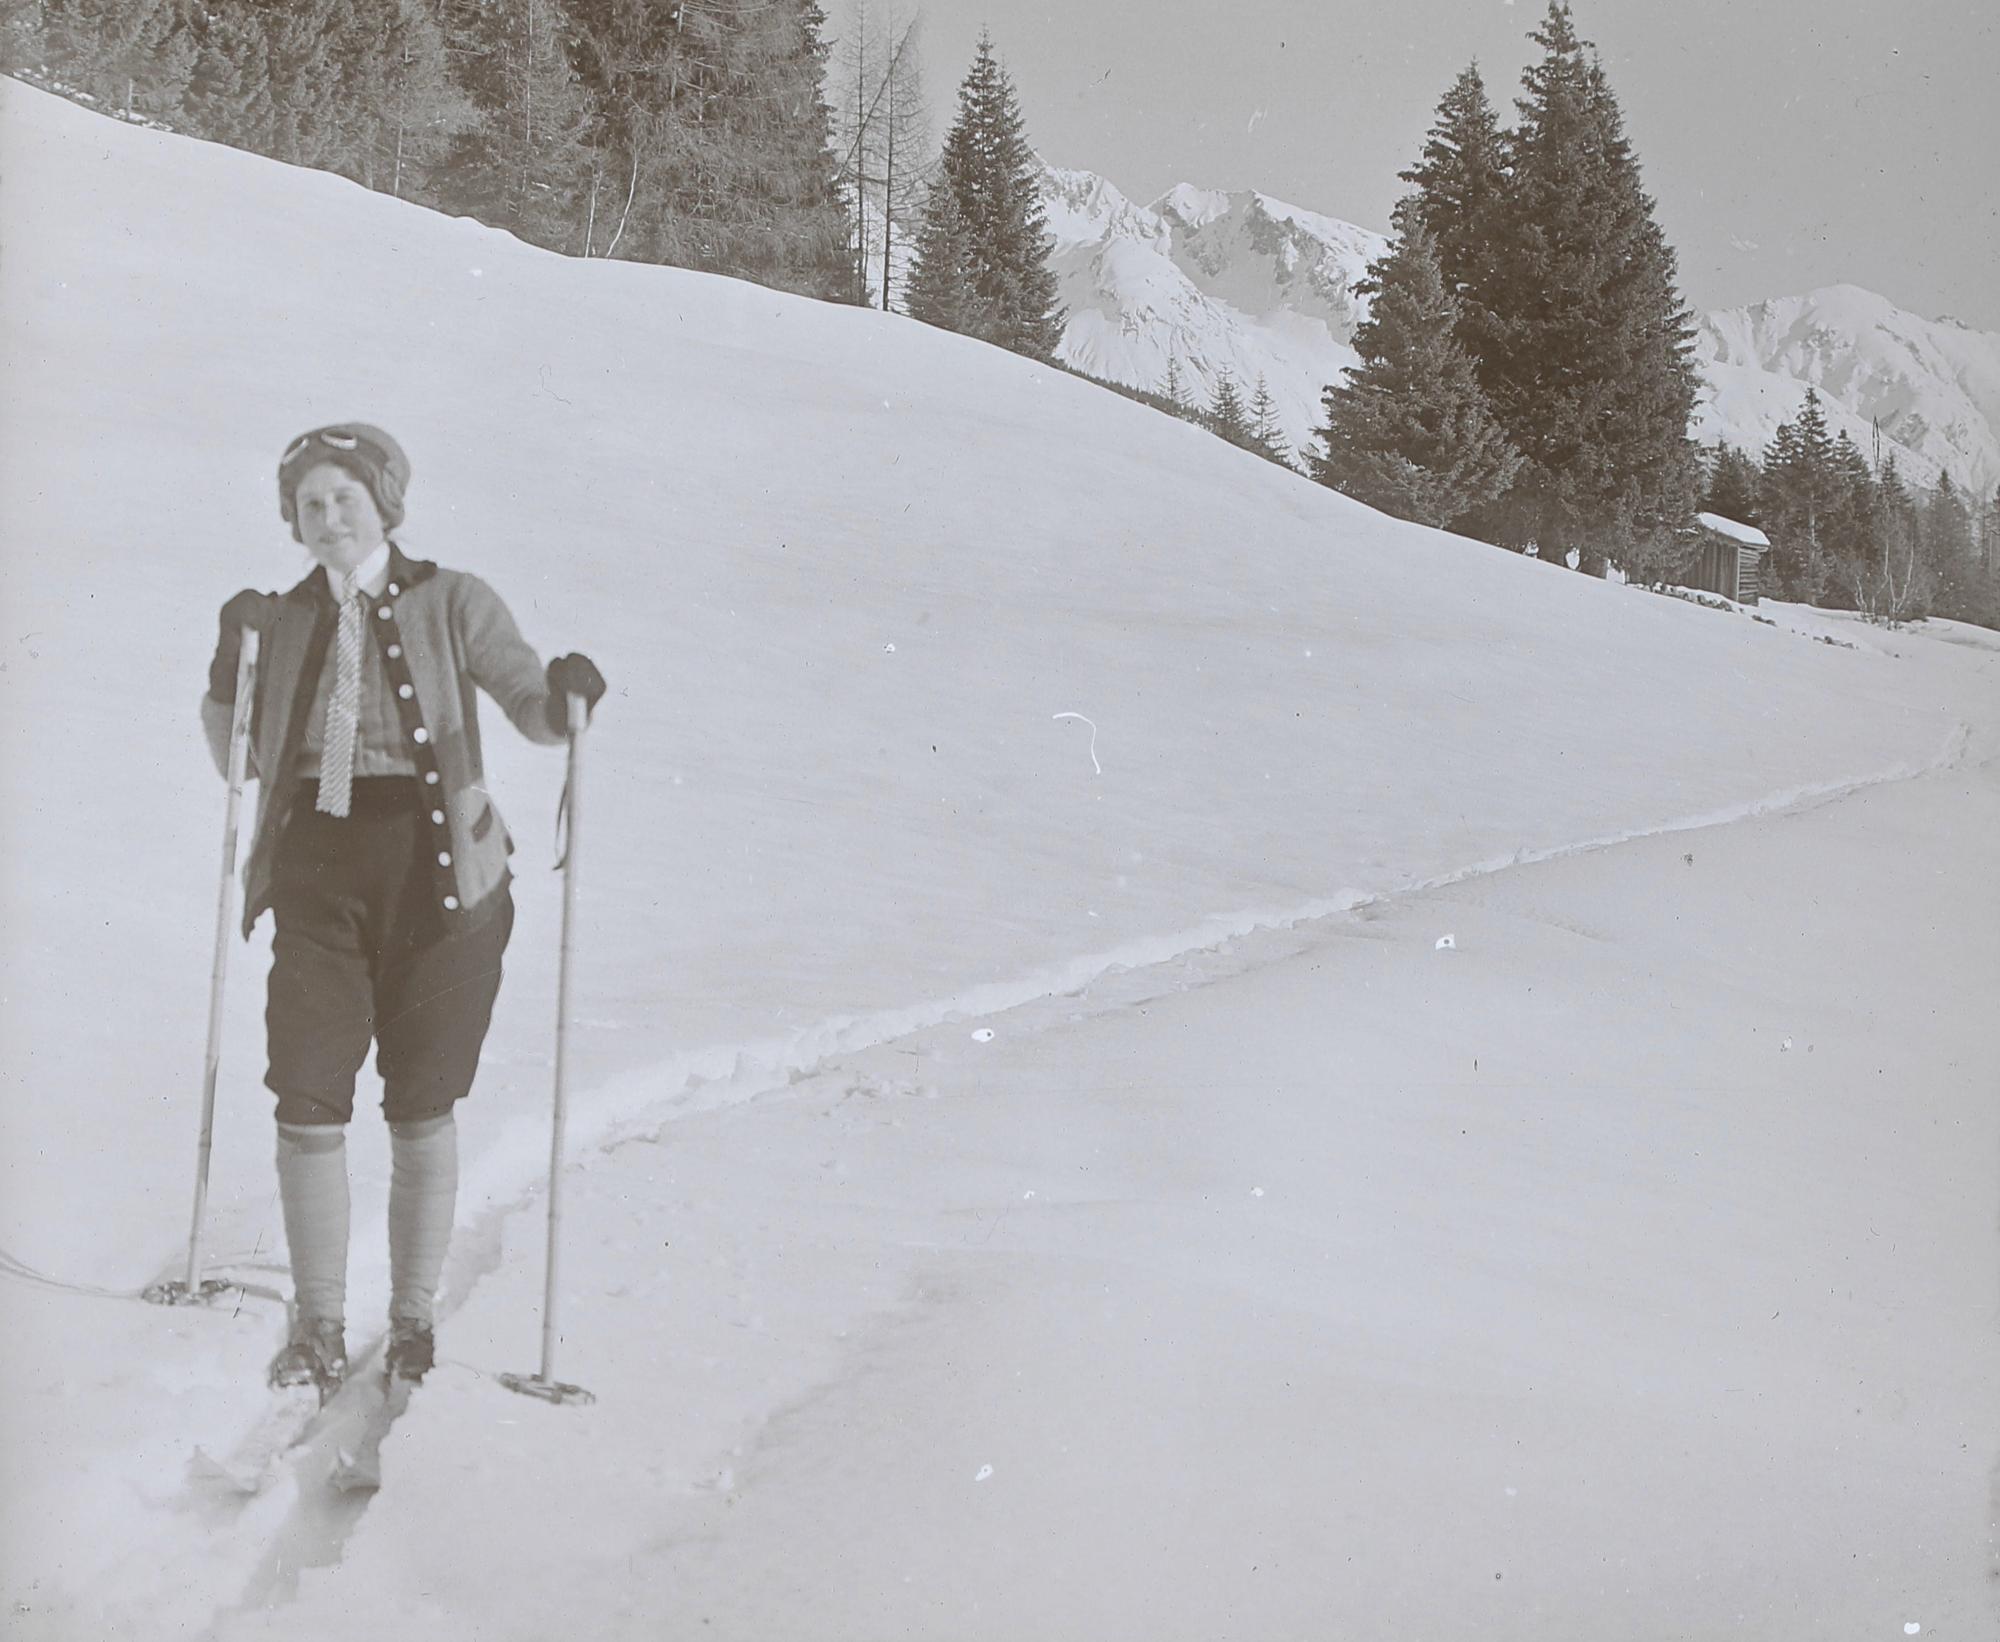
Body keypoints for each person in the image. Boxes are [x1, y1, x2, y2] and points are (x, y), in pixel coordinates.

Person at [202, 423, 605, 1399]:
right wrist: (227, 670)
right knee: (306, 1097)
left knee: (421, 1103)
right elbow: (237, 761)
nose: (328, 517)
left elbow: (531, 708)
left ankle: (413, 1319)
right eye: (309, 504)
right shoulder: (278, 619)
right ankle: (320, 1322)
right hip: (318, 880)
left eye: (344, 498)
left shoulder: (453, 599)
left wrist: (566, 696)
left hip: (440, 884)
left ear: (385, 504)